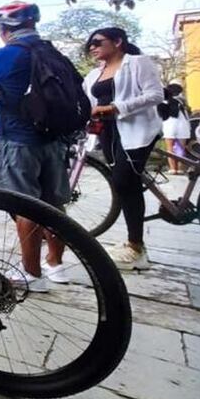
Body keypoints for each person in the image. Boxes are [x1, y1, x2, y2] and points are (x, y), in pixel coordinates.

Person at [0, 1, 70, 292]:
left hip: (17, 138)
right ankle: (56, 264)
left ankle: (31, 274)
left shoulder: (6, 55)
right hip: (53, 139)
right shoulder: (53, 52)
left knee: (24, 205)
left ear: (4, 30)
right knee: (55, 204)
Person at [83, 27, 163, 270]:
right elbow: (90, 102)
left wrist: (116, 108)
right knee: (124, 184)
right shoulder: (94, 75)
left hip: (138, 131)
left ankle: (136, 246)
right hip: (109, 133)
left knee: (124, 181)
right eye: (90, 45)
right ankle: (133, 243)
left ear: (118, 42)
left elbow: (155, 95)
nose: (93, 48)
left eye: (98, 42)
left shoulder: (137, 63)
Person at [161, 83, 191, 175]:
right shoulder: (182, 102)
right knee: (180, 148)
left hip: (169, 125)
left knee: (170, 149)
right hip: (182, 125)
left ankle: (173, 169)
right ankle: (180, 169)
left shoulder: (164, 100)